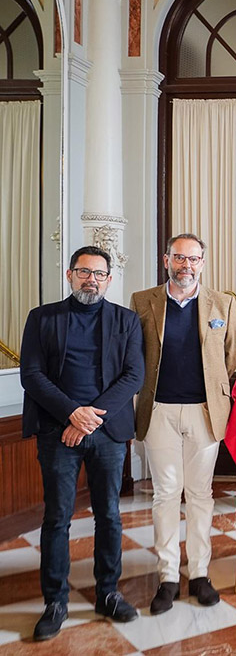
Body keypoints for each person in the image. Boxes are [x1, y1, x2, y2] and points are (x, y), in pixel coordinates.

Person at [20, 246, 144, 640]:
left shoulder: (126, 321)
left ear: (109, 279)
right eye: (84, 271)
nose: (91, 279)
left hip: (106, 434)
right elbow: (32, 375)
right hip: (58, 433)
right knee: (57, 518)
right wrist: (72, 413)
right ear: (71, 275)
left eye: (99, 273)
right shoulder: (42, 318)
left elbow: (133, 376)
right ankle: (54, 602)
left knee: (108, 514)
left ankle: (107, 592)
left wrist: (88, 418)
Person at [130, 233, 236, 613]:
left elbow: (233, 360)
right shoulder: (143, 302)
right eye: (179, 258)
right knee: (164, 493)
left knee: (200, 494)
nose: (186, 266)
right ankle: (167, 577)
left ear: (203, 263)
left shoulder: (223, 304)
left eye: (194, 260)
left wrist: (215, 394)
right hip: (158, 409)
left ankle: (200, 573)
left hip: (204, 413)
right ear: (166, 260)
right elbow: (136, 355)